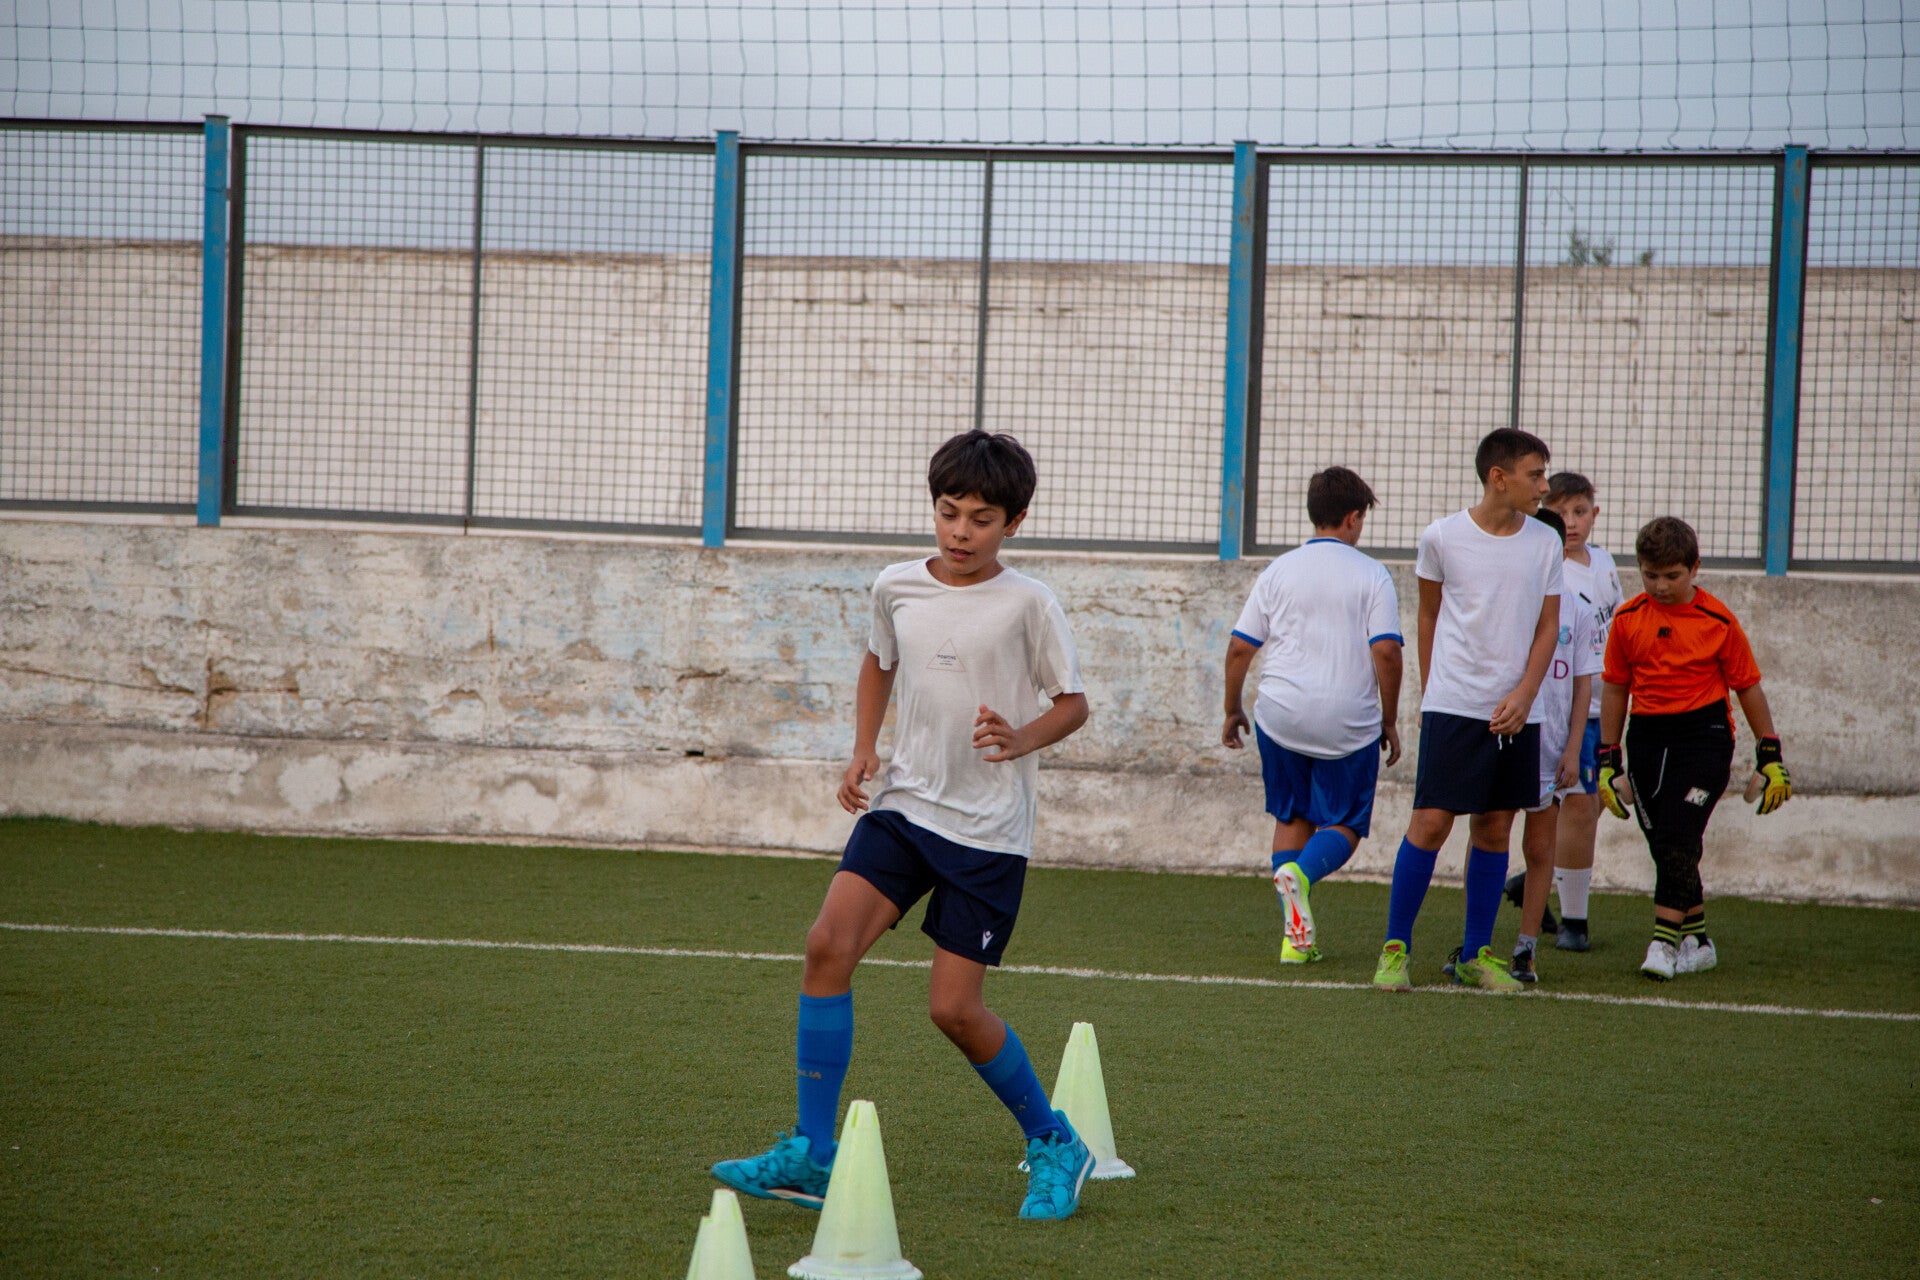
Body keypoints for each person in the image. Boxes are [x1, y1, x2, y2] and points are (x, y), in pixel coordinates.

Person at [710, 430, 1096, 1219]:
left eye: (981, 519)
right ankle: (813, 1155)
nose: (961, 532)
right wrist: (863, 748)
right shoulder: (896, 586)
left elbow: (1073, 704)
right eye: (949, 513)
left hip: (986, 830)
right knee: (827, 944)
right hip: (904, 807)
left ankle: (1055, 1141)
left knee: (953, 1009)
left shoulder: (1030, 604)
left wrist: (1022, 737)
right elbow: (878, 660)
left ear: (1014, 523)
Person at [1372, 428, 1562, 994]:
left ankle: (1476, 955)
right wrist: (1434, 692)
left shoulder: (1545, 542)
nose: (1544, 487)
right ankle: (1394, 951)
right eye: (1535, 475)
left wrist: (1526, 693)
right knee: (1431, 823)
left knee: (1495, 827)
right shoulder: (1441, 537)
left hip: (1518, 711)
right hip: (1454, 705)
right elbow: (1428, 616)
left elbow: (1549, 625)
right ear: (1498, 478)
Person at [1221, 467, 1404, 964]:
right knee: (1345, 823)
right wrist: (1389, 719)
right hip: (1346, 722)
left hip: (1279, 716)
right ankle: (1300, 875)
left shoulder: (1278, 570)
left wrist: (1232, 708)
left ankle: (1294, 942)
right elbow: (1387, 652)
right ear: (1353, 518)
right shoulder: (1372, 574)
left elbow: (1239, 648)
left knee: (1292, 814)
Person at [1596, 516, 1792, 980]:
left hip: (1704, 737)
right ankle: (1698, 940)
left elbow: (1748, 687)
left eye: (1672, 575)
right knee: (1667, 847)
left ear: (1695, 568)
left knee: (1677, 836)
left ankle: (1663, 943)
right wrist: (1607, 759)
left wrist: (1770, 755)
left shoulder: (1718, 621)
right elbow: (1615, 688)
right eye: (1650, 575)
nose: (1660, 586)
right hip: (1646, 738)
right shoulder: (1627, 620)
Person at [1507, 471, 1625, 952]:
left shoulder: (1604, 563)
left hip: (1604, 705)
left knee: (1593, 805)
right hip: (1563, 709)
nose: (1571, 523)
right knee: (1575, 803)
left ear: (1595, 514)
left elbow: (1615, 628)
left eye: (1579, 512)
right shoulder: (1552, 572)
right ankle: (1575, 922)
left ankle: (1531, 880)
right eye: (1560, 513)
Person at [1504, 507, 1600, 984]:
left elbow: (1584, 686)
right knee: (1488, 834)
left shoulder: (1577, 610)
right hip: (1504, 738)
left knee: (1540, 847)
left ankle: (1526, 950)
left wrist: (1573, 749)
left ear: (1558, 549)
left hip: (1551, 746)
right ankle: (1474, 943)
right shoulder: (1503, 601)